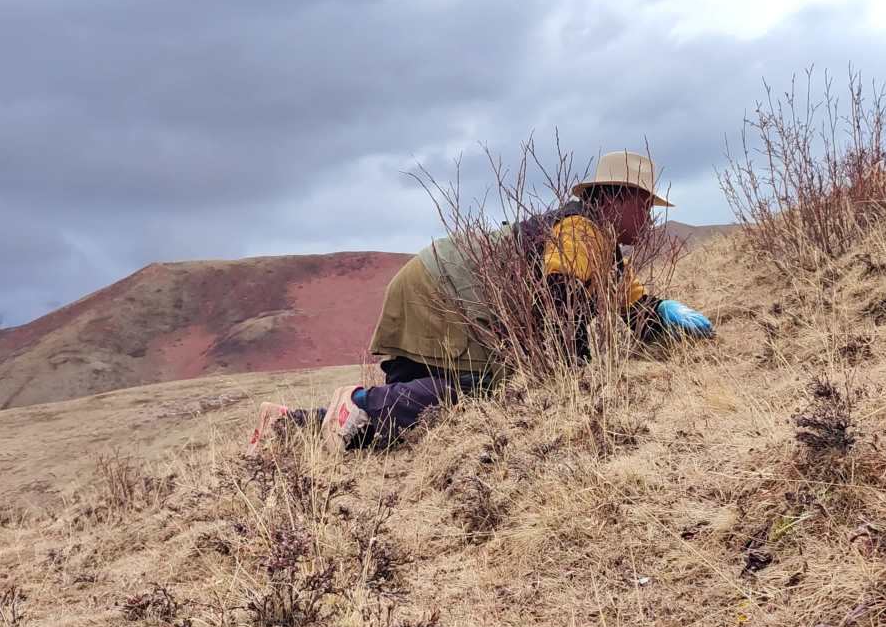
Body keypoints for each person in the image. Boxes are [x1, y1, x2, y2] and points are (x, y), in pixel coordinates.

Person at [247, 150, 714, 455]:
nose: (649, 220)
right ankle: (361, 401)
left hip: (432, 278)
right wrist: (573, 374)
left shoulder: (599, 242)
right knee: (481, 387)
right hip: (445, 290)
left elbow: (627, 304)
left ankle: (291, 426)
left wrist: (667, 316)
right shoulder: (582, 231)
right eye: (645, 208)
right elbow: (562, 299)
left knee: (413, 418)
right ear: (619, 200)